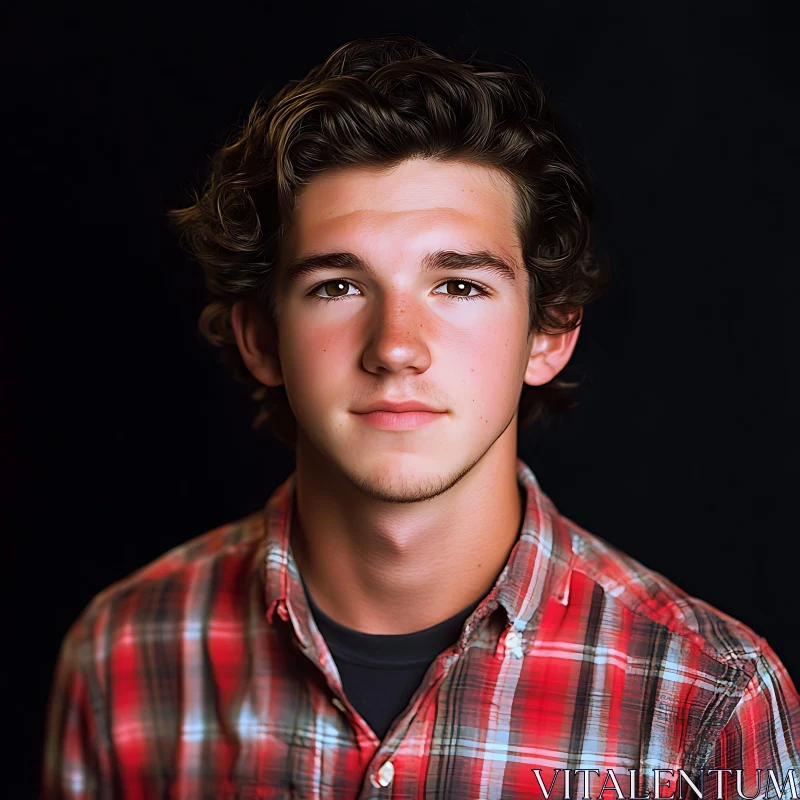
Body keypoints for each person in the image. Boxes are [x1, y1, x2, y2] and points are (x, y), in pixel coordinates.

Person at [42, 35, 799, 799]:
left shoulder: (711, 703)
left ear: (550, 334)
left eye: (461, 287)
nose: (396, 348)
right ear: (263, 339)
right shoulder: (122, 655)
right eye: (337, 286)